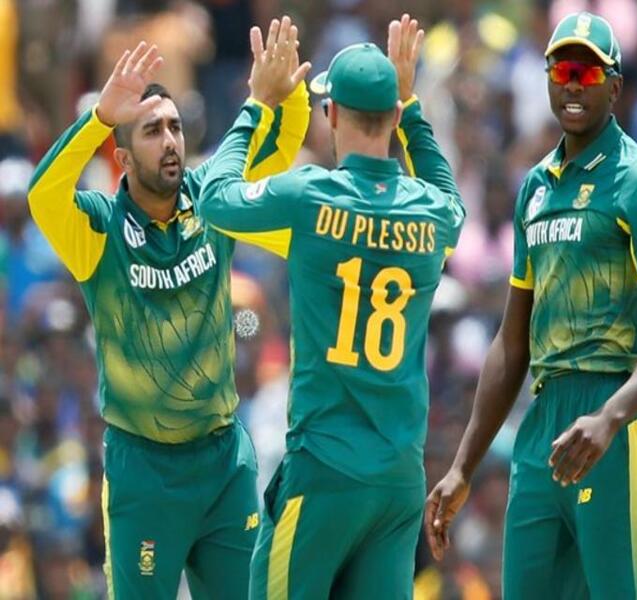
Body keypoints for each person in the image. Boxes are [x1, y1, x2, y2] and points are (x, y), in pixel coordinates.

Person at [27, 17, 310, 598]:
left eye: (175, 127)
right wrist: (99, 118)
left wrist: (291, 92)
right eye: (153, 131)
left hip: (224, 461)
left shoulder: (214, 199)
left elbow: (280, 146)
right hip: (145, 473)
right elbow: (43, 195)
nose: (171, 141)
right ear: (124, 158)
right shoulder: (98, 230)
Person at [425, 11, 637, 599]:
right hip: (544, 423)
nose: (574, 84)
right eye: (563, 71)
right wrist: (463, 467)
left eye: (588, 73)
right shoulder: (535, 188)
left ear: (615, 87)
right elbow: (511, 341)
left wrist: (611, 418)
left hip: (612, 414)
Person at [197, 15, 465, 600]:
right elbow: (452, 201)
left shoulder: (310, 194)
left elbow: (214, 200)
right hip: (398, 479)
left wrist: (257, 104)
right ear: (393, 116)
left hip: (323, 469)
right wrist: (412, 106)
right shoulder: (431, 212)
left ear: (332, 114)